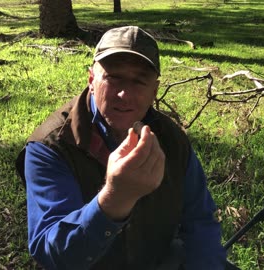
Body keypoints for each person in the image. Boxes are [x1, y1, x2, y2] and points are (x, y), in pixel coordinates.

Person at [16, 25, 228, 270]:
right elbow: (53, 254)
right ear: (92, 80)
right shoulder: (53, 146)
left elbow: (200, 222)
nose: (125, 94)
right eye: (113, 78)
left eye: (139, 81)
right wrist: (114, 199)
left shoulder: (171, 139)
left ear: (154, 91)